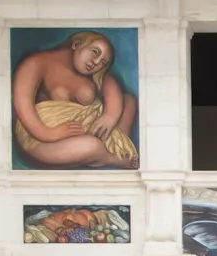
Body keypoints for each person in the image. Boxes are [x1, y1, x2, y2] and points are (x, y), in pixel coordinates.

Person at [11, 30, 140, 168]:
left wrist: (109, 117)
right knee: (92, 146)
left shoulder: (95, 74)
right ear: (76, 45)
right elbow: (23, 106)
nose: (96, 62)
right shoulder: (36, 63)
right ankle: (110, 158)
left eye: (103, 62)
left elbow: (112, 88)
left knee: (128, 101)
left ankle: (113, 147)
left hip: (87, 129)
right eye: (95, 52)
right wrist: (49, 134)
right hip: (43, 139)